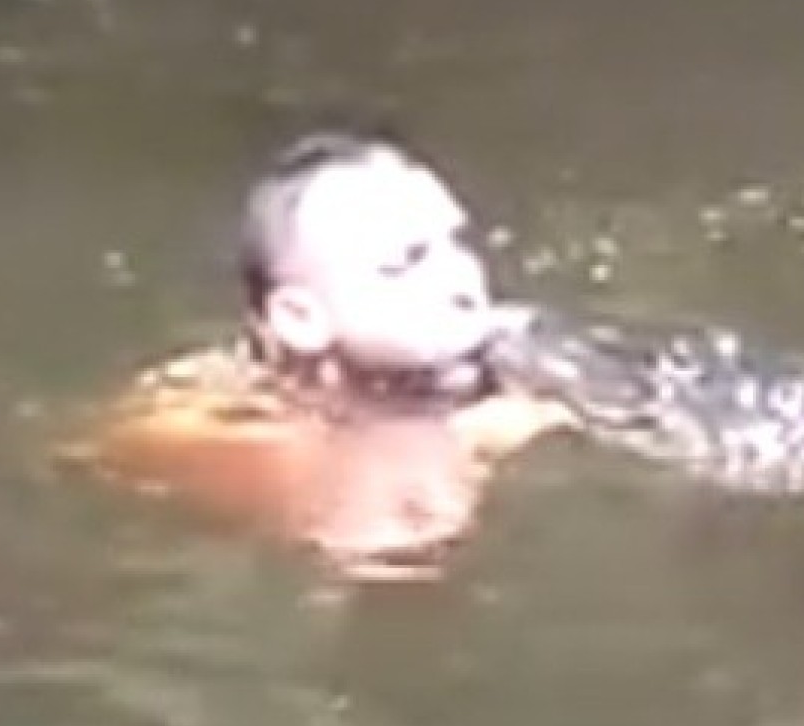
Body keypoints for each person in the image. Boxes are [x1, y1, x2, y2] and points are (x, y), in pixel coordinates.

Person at [65, 129, 574, 582]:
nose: (463, 282)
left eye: (459, 243)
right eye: (404, 264)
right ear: (301, 319)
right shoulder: (212, 427)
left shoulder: (525, 391)